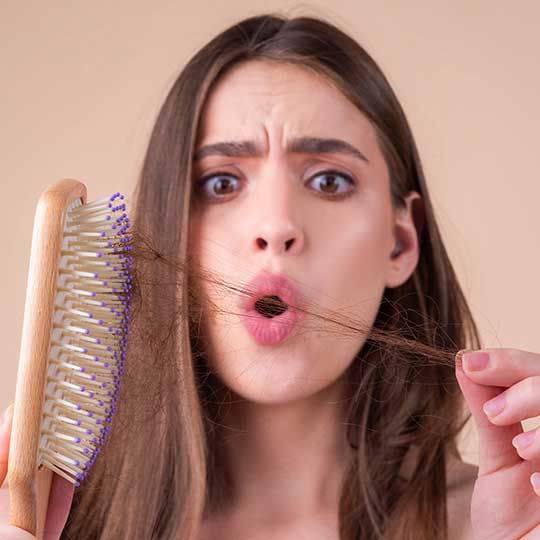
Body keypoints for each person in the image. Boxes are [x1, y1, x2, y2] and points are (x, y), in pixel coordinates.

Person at [3, 12, 540, 540]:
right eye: (220, 184)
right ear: (165, 233)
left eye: (329, 181)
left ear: (400, 242)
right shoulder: (57, 528)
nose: (277, 227)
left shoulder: (503, 524)